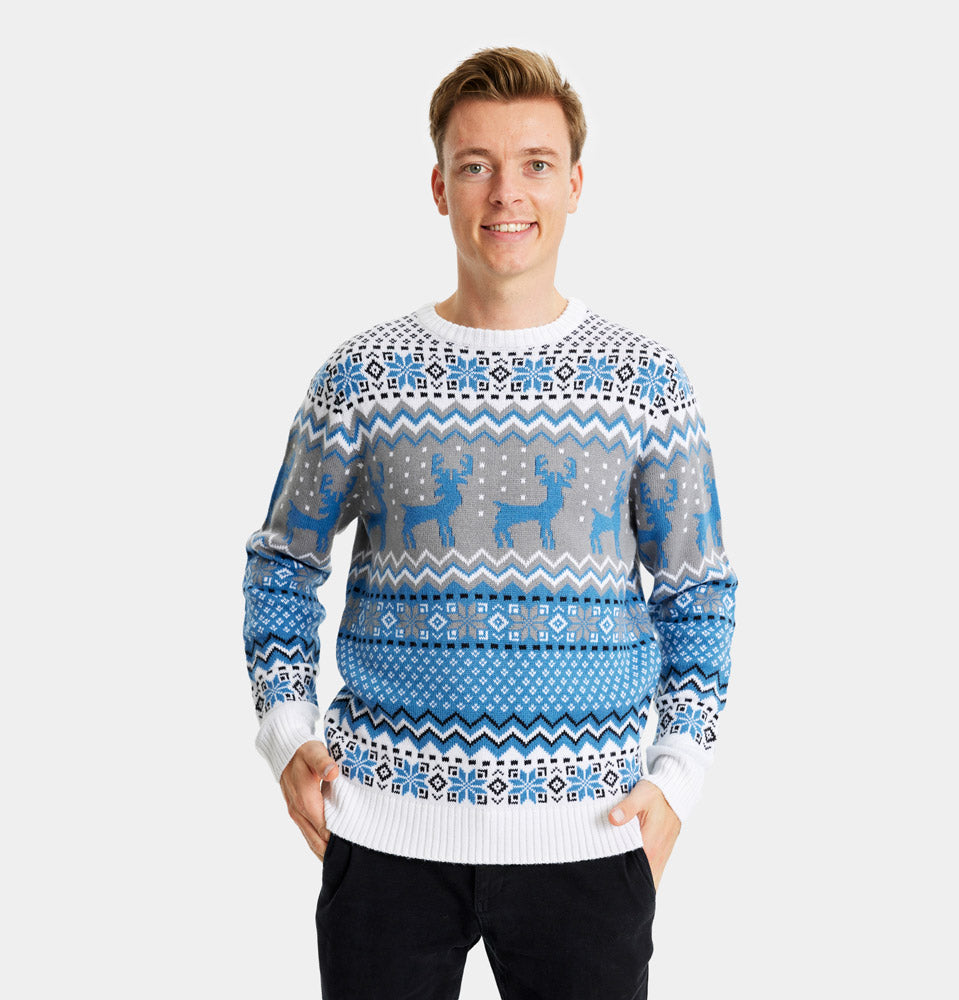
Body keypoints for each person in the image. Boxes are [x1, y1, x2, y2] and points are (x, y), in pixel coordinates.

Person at [243, 46, 738, 1000]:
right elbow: (282, 563)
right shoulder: (362, 377)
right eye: (476, 165)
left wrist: (679, 774)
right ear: (439, 186)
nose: (507, 192)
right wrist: (285, 726)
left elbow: (699, 589)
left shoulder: (646, 382)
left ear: (576, 184)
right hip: (383, 833)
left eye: (535, 164)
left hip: (590, 837)